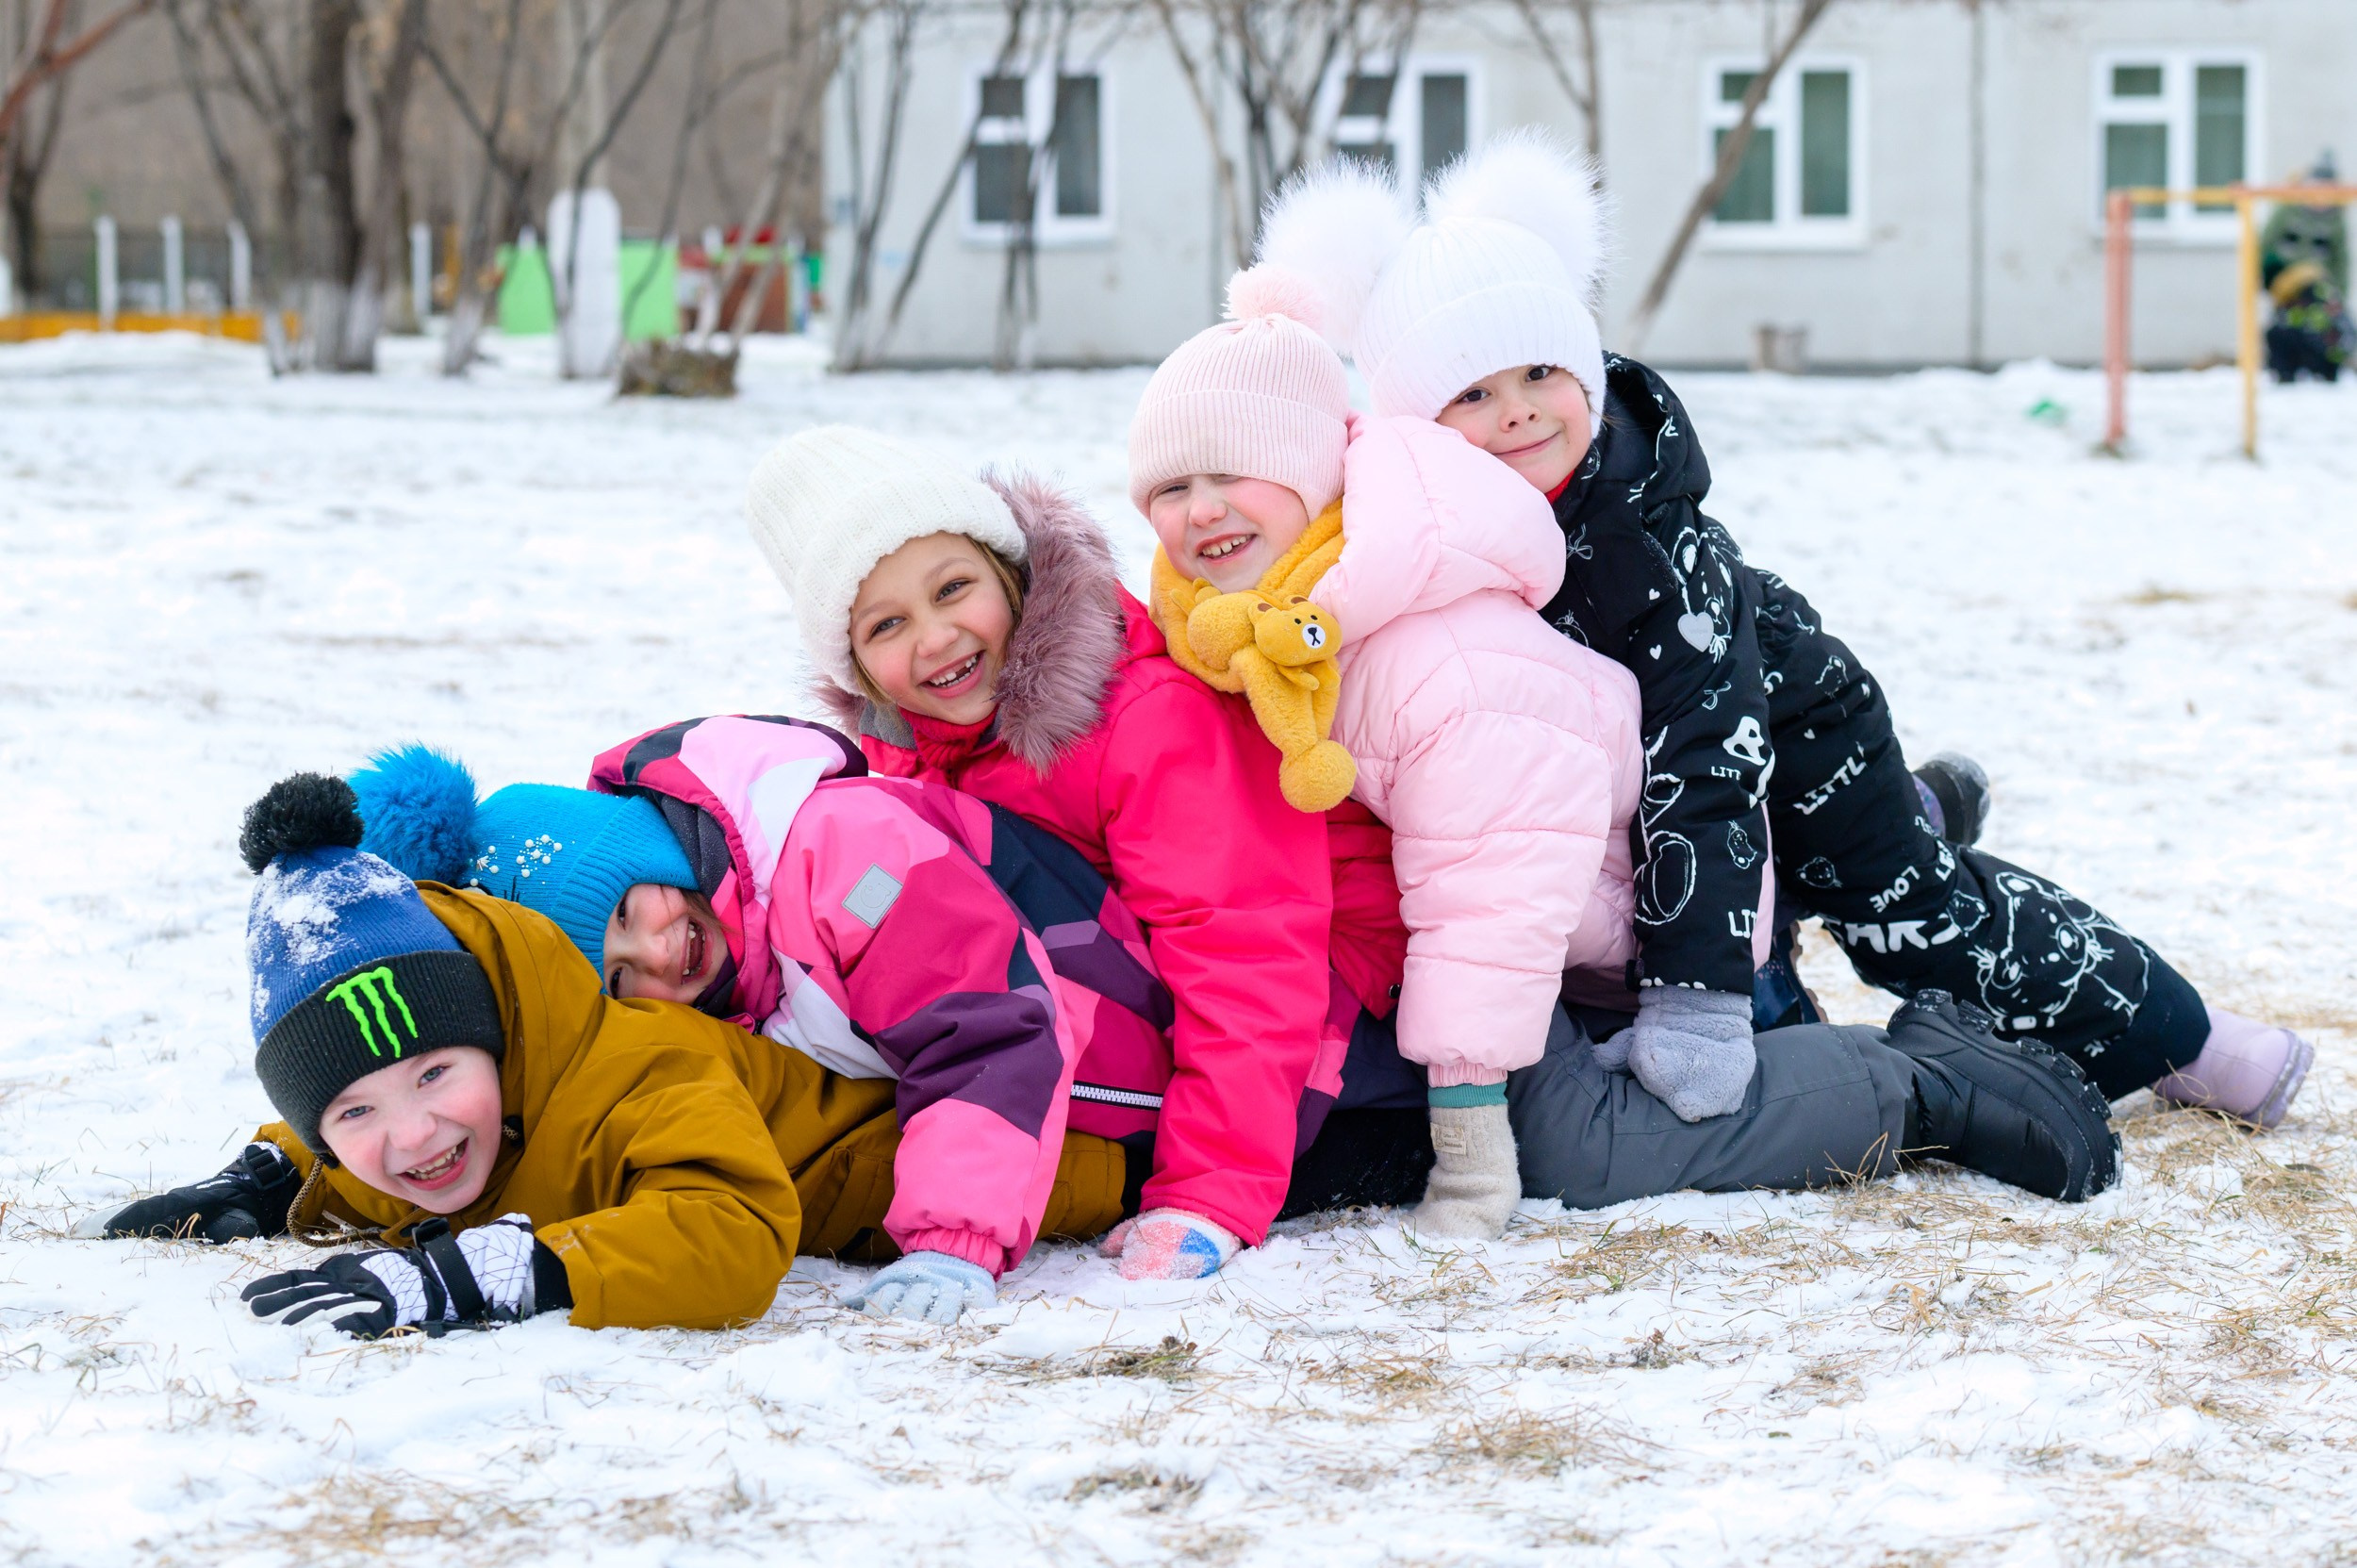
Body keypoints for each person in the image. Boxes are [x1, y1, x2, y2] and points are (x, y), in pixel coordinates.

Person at [1262, 132, 2314, 1130]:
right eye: (1473, 392)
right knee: (1746, 898)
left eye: (1541, 373)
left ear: (1584, 372)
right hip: (1681, 814)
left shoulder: (1643, 547)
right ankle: (1902, 827)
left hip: (1797, 742)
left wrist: (1695, 1002)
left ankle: (2195, 1040)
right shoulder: (1430, 533)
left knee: (1914, 922)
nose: (1519, 411)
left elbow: (1704, 770)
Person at [1121, 260, 2124, 1229]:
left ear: (1314, 473)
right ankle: (1911, 820)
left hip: (1638, 917)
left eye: (1235, 473)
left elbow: (1509, 866)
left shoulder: (1420, 643)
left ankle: (1926, 1078)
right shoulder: (1226, 619)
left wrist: (1474, 1131)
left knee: (1583, 1142)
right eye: (1171, 488)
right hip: (1505, 923)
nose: (1203, 509)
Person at [79, 773, 1126, 1335]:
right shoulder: (451, 1092)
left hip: (1064, 1155)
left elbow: (731, 1230)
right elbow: (378, 1090)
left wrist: (500, 1272)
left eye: (436, 1076)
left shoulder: (651, 1058)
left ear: (496, 1034)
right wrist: (277, 1174)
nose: (413, 1131)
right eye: (352, 1114)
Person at [743, 426, 1346, 1282]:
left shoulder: (1144, 720)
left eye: (954, 588)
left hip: (1318, 1085)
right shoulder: (922, 757)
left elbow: (1244, 951)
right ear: (861, 670)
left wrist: (1207, 1191)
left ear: (1012, 573)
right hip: (1127, 1070)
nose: (936, 638)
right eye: (887, 624)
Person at [339, 716, 1178, 1322]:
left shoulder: (846, 857)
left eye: (629, 909)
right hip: (1068, 1129)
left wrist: (951, 1238)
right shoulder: (730, 985)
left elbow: (987, 1030)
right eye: (620, 977)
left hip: (1141, 1086)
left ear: (646, 843)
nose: (659, 955)